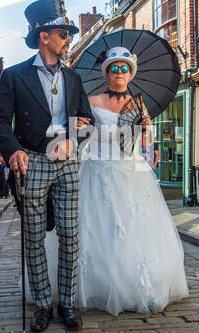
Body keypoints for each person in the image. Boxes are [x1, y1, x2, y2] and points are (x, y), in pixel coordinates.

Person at [34, 46, 189, 316]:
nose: (119, 72)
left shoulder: (139, 105)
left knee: (136, 229)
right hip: (97, 170)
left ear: (131, 73)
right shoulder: (91, 101)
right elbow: (70, 137)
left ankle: (143, 287)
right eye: (114, 68)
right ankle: (97, 286)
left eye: (124, 68)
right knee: (98, 230)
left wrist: (146, 130)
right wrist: (77, 127)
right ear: (106, 73)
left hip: (131, 172)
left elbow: (145, 145)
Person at [0, 0, 94, 332]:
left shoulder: (74, 79)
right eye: (63, 32)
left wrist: (74, 140)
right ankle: (41, 305)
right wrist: (13, 151)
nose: (68, 38)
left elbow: (87, 122)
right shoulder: (14, 75)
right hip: (32, 162)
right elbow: (0, 122)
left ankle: (67, 303)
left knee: (70, 234)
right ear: (43, 36)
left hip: (67, 164)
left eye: (68, 33)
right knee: (33, 237)